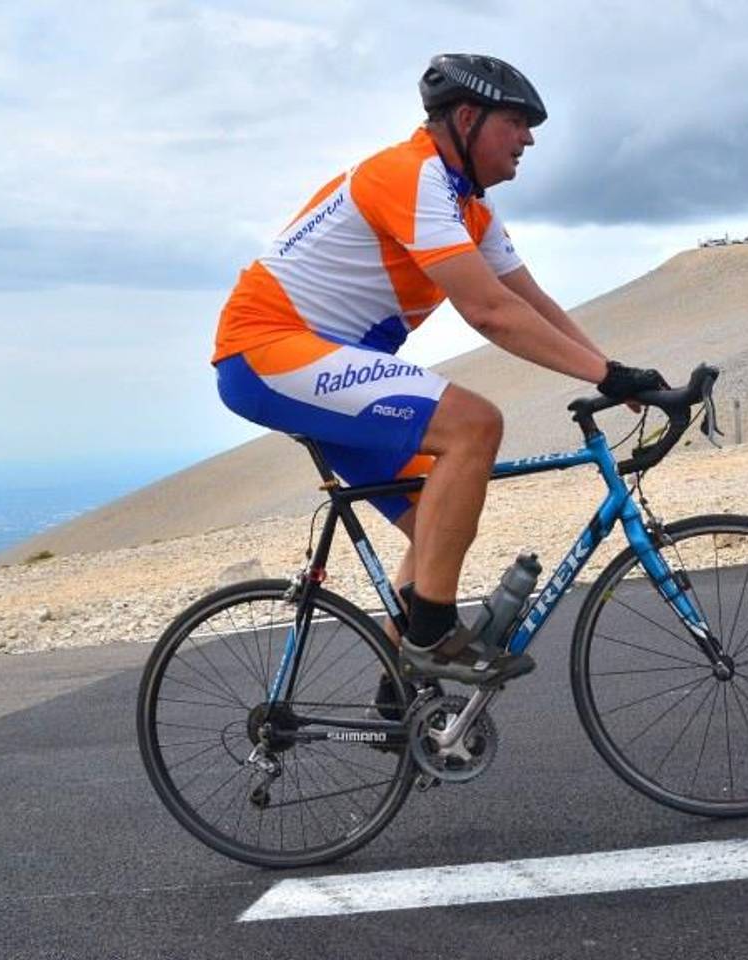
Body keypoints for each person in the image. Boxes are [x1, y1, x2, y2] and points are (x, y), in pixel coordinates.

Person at [212, 53, 666, 688]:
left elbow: (531, 303)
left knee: (438, 517)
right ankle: (432, 635)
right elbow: (488, 312)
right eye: (516, 122)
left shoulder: (467, 207)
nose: (529, 138)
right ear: (467, 117)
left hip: (322, 361)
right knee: (474, 426)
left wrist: (617, 374)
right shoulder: (411, 175)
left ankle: (402, 698)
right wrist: (603, 376)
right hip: (265, 348)